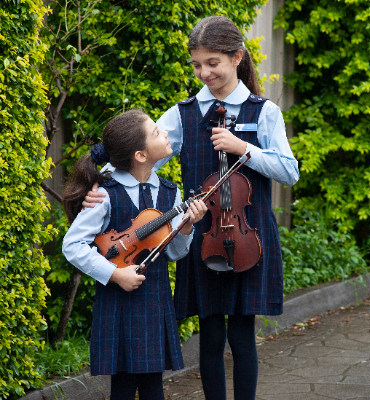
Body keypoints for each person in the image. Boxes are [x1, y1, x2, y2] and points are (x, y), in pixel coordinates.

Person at [82, 16, 300, 400]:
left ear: (237, 57)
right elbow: (136, 153)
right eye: (197, 64)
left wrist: (243, 148)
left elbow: (289, 171)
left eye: (212, 63)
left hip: (250, 236)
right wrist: (99, 186)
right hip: (203, 236)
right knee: (211, 334)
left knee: (242, 334)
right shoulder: (183, 113)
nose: (204, 73)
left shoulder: (262, 111)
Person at [62, 109, 207, 400]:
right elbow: (72, 245)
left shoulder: (170, 193)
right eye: (156, 132)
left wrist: (187, 228)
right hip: (119, 299)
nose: (165, 133)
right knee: (124, 388)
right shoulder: (105, 193)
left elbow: (175, 253)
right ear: (140, 155)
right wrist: (114, 274)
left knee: (154, 386)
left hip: (155, 296)